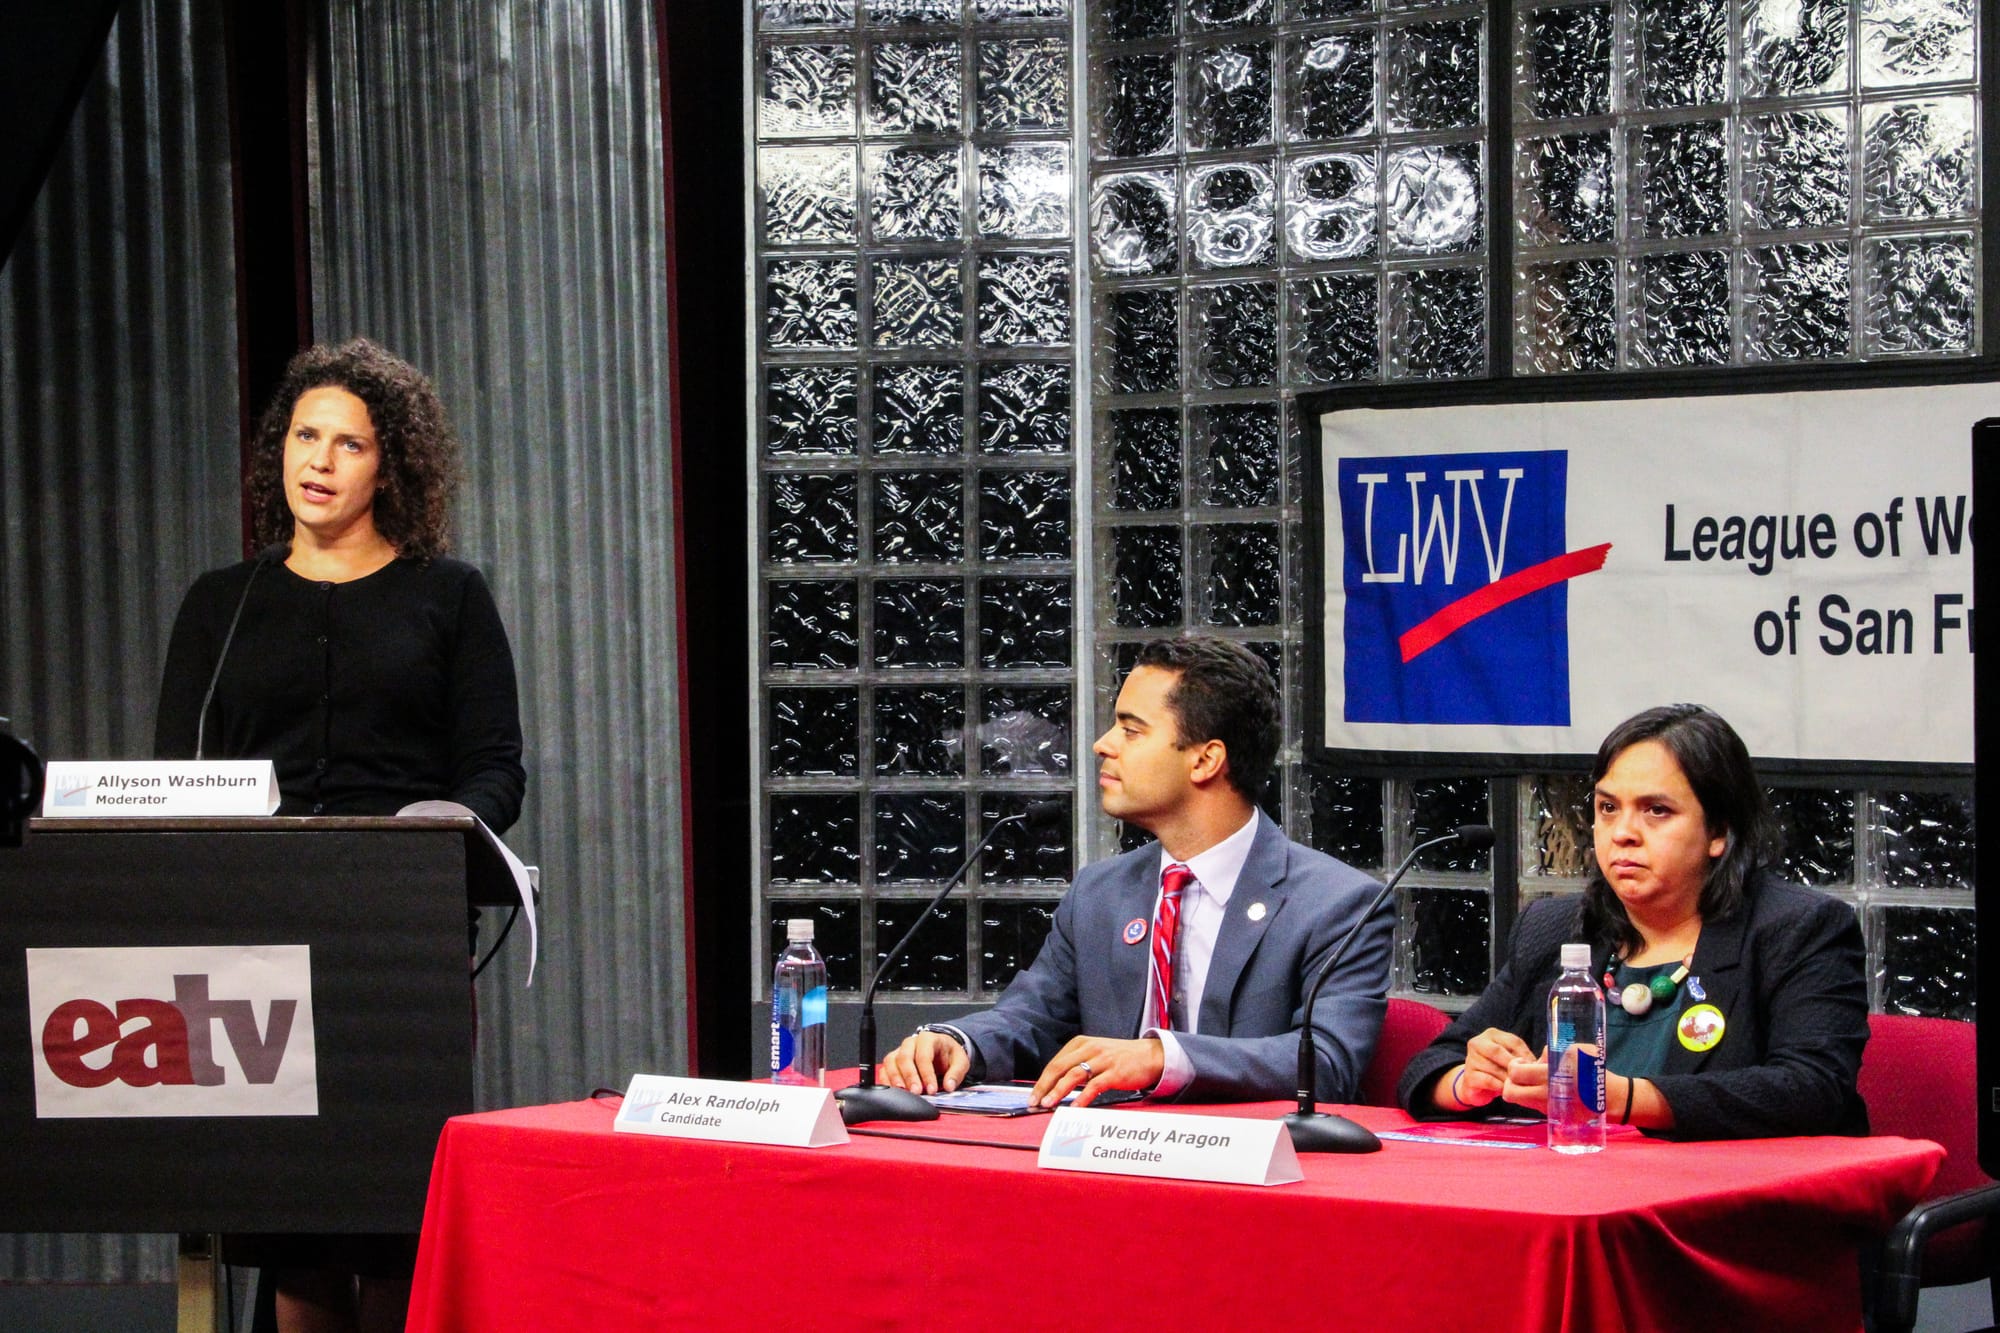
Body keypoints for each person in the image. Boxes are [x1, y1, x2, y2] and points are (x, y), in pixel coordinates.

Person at [154, 338, 525, 1333]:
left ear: (390, 465)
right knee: (291, 1219)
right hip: (255, 939)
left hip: (399, 931)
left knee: (394, 1213)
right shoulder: (219, 605)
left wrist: (448, 820)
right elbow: (173, 779)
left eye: (349, 443)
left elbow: (496, 769)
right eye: (305, 436)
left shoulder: (449, 596)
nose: (318, 460)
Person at [878, 635, 1391, 1108]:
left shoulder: (1339, 903)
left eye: (1131, 729)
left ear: (1206, 760)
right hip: (1105, 1164)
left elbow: (1327, 1063)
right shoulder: (1100, 891)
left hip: (1250, 1178)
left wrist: (1163, 1058)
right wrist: (958, 1042)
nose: (1103, 743)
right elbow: (1032, 1018)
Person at [1397, 704, 1868, 1140]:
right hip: (1573, 1192)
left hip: (1739, 1207)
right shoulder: (1555, 929)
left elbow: (1813, 1089)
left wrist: (1621, 1099)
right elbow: (1431, 1066)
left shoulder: (1799, 928)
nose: (1622, 833)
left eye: (1656, 811)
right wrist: (1468, 1082)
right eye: (1608, 808)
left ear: (1719, 832)